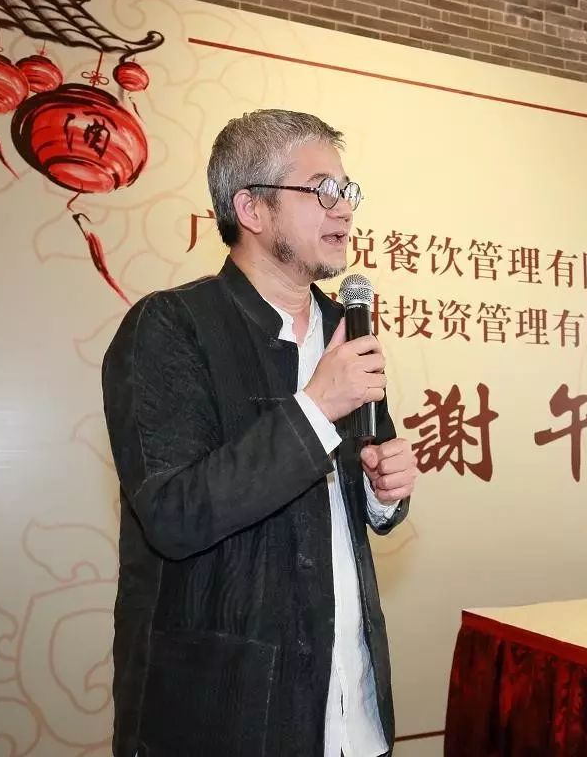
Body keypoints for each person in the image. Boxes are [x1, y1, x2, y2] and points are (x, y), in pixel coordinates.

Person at [101, 109, 418, 757]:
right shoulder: (170, 326)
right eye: (322, 190)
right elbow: (175, 514)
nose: (343, 208)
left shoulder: (345, 329)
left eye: (347, 191)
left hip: (352, 708)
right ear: (250, 208)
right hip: (227, 715)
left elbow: (356, 489)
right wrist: (316, 407)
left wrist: (383, 491)